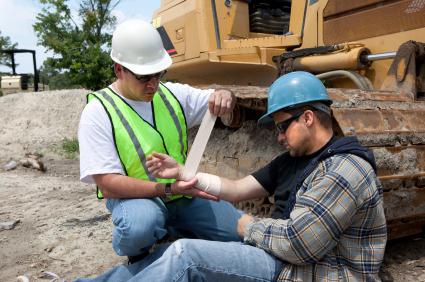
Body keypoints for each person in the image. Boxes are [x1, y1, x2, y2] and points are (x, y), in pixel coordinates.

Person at [76, 71, 387, 281]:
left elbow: (300, 245)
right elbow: (238, 189)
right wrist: (185, 174)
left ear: (307, 118)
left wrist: (247, 226)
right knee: (172, 252)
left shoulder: (343, 169)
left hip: (310, 271)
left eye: (281, 126)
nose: (278, 136)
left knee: (186, 254)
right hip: (280, 254)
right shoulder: (293, 160)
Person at [77, 19, 242, 264]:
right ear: (119, 69)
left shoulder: (171, 94)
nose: (153, 83)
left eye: (158, 74)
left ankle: (174, 230)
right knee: (140, 226)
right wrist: (166, 188)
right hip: (138, 201)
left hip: (182, 195)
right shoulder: (99, 111)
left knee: (237, 233)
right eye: (144, 77)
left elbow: (216, 99)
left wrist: (225, 95)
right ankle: (140, 253)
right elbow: (108, 183)